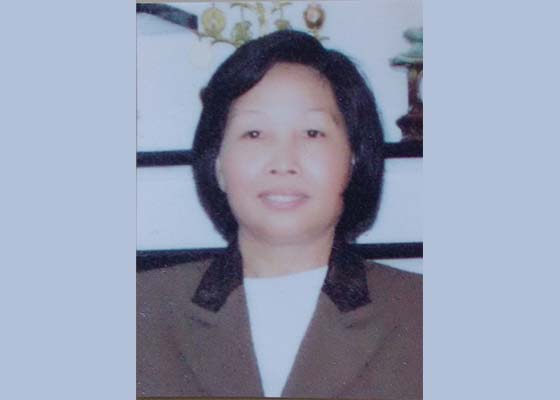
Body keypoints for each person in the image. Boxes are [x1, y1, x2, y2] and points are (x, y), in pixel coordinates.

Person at [137, 29, 422, 399]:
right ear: (218, 163)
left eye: (312, 133)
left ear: (353, 160)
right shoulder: (138, 311)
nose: (284, 162)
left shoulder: (422, 313)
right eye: (254, 133)